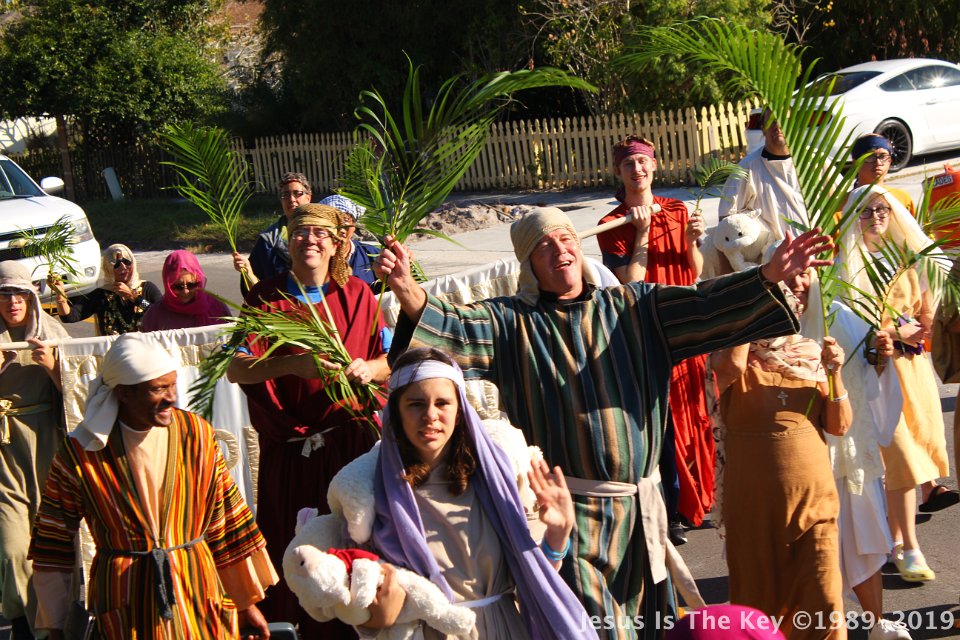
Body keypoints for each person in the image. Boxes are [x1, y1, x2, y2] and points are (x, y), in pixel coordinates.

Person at [377, 206, 834, 640]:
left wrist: (768, 275)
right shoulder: (508, 323)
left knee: (651, 625)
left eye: (565, 238)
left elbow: (703, 304)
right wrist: (406, 288)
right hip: (572, 516)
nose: (560, 250)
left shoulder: (637, 307)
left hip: (642, 511)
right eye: (543, 246)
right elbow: (453, 329)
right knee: (598, 629)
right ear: (528, 264)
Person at [28, 333, 277, 639]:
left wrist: (246, 604)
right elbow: (53, 542)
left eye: (172, 385)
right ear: (124, 393)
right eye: (158, 389)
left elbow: (225, 521)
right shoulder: (81, 452)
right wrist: (55, 625)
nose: (171, 397)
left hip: (197, 590)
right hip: (124, 600)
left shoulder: (197, 435)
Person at [227, 203, 391, 636]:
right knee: (297, 560)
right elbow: (236, 368)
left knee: (356, 555)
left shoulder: (358, 295)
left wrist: (369, 368)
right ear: (288, 241)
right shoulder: (265, 298)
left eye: (320, 234)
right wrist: (290, 366)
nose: (310, 241)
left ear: (337, 244)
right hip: (292, 454)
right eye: (300, 232)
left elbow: (390, 360)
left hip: (351, 449)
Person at [350, 347, 590, 638]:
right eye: (415, 404)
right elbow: (359, 601)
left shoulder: (495, 480)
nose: (430, 415)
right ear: (396, 413)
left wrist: (558, 534)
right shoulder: (370, 491)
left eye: (442, 403)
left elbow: (534, 576)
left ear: (459, 411)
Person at [712, 281, 851, 640]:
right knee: (760, 613)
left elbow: (839, 425)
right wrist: (745, 321)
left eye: (785, 308)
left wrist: (835, 373)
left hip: (815, 506)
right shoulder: (729, 361)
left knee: (824, 602)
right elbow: (728, 369)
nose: (781, 315)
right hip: (754, 513)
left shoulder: (811, 354)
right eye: (768, 309)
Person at [596, 135, 711, 542]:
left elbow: (695, 270)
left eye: (643, 162)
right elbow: (630, 282)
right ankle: (673, 509)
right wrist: (642, 232)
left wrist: (693, 241)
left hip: (686, 321)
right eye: (629, 164)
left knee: (693, 410)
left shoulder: (677, 210)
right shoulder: (612, 224)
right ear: (618, 172)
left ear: (655, 165)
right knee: (664, 420)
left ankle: (700, 499)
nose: (637, 169)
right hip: (648, 328)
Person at [836, 185, 953, 583]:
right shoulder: (844, 265)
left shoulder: (909, 259)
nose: (876, 217)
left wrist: (906, 329)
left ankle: (901, 544)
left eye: (882, 209)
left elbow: (926, 316)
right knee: (888, 456)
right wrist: (881, 334)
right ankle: (901, 546)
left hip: (909, 369)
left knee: (908, 454)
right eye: (867, 211)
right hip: (866, 369)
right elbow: (837, 319)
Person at [794, 271, 912, 640]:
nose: (798, 282)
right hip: (802, 456)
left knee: (864, 539)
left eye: (805, 273)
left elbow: (871, 375)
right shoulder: (769, 324)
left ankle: (877, 624)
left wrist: (880, 358)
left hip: (850, 452)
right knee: (813, 553)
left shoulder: (842, 316)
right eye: (791, 272)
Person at [0, 261, 69, 640]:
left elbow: (80, 392)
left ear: (31, 296)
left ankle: (50, 624)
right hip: (3, 450)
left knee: (49, 542)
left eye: (19, 293)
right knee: (12, 547)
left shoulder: (52, 332)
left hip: (46, 445)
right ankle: (25, 622)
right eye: (4, 293)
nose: (12, 301)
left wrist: (53, 366)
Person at [719, 108, 807, 240]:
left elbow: (838, 204)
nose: (777, 125)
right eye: (771, 121)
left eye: (784, 120)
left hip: (818, 249)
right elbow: (725, 220)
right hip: (772, 251)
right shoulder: (746, 168)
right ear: (763, 128)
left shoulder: (814, 161)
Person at [55, 244, 162, 335]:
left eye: (127, 262)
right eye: (117, 264)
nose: (123, 267)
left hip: (145, 349)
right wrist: (60, 295)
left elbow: (161, 314)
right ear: (108, 269)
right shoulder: (101, 294)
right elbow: (69, 317)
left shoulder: (147, 288)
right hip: (114, 351)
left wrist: (133, 296)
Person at [232, 172, 313, 291]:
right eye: (285, 195)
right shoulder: (268, 242)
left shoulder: (323, 234)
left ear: (309, 197)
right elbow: (256, 290)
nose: (291, 199)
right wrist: (247, 270)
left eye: (297, 193)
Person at [140, 250, 231, 332]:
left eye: (191, 285)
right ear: (168, 285)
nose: (185, 291)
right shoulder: (154, 316)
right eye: (178, 287)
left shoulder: (217, 308)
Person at [318, 194, 380, 287]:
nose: (340, 229)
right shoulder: (315, 257)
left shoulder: (373, 256)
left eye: (345, 221)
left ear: (354, 225)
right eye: (333, 222)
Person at [850, 134, 914, 213]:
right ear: (856, 163)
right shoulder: (844, 205)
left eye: (883, 156)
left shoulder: (902, 199)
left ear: (889, 161)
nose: (878, 162)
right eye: (870, 157)